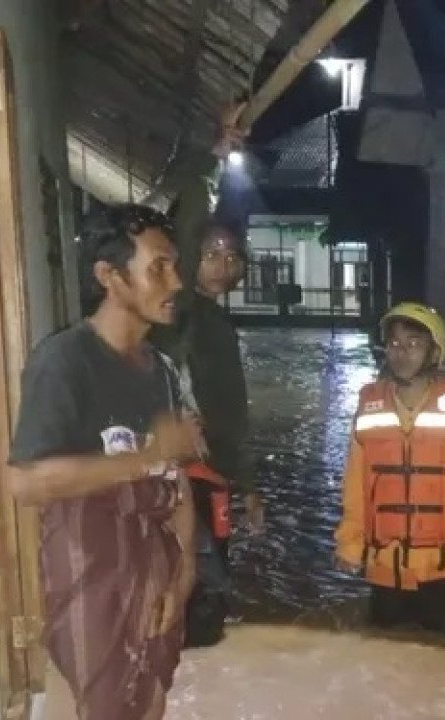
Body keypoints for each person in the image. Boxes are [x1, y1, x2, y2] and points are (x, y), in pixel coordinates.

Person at [6, 204, 201, 720]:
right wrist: (145, 457)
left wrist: (184, 574)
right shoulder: (65, 361)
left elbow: (174, 478)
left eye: (174, 265)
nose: (175, 281)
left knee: (149, 702)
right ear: (109, 277)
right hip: (89, 575)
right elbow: (26, 482)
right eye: (158, 266)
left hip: (154, 568)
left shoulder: (159, 367)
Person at [152, 103, 264, 648]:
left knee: (206, 604)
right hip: (176, 484)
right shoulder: (177, 313)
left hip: (212, 481)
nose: (225, 265)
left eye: (234, 256)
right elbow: (191, 220)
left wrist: (248, 487)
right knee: (193, 606)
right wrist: (216, 157)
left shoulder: (218, 324)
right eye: (213, 254)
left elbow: (231, 415)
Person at [333, 302, 445, 636]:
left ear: (435, 352)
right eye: (393, 343)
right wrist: (350, 545)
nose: (401, 353)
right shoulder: (368, 409)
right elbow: (355, 486)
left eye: (413, 344)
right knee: (386, 665)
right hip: (385, 570)